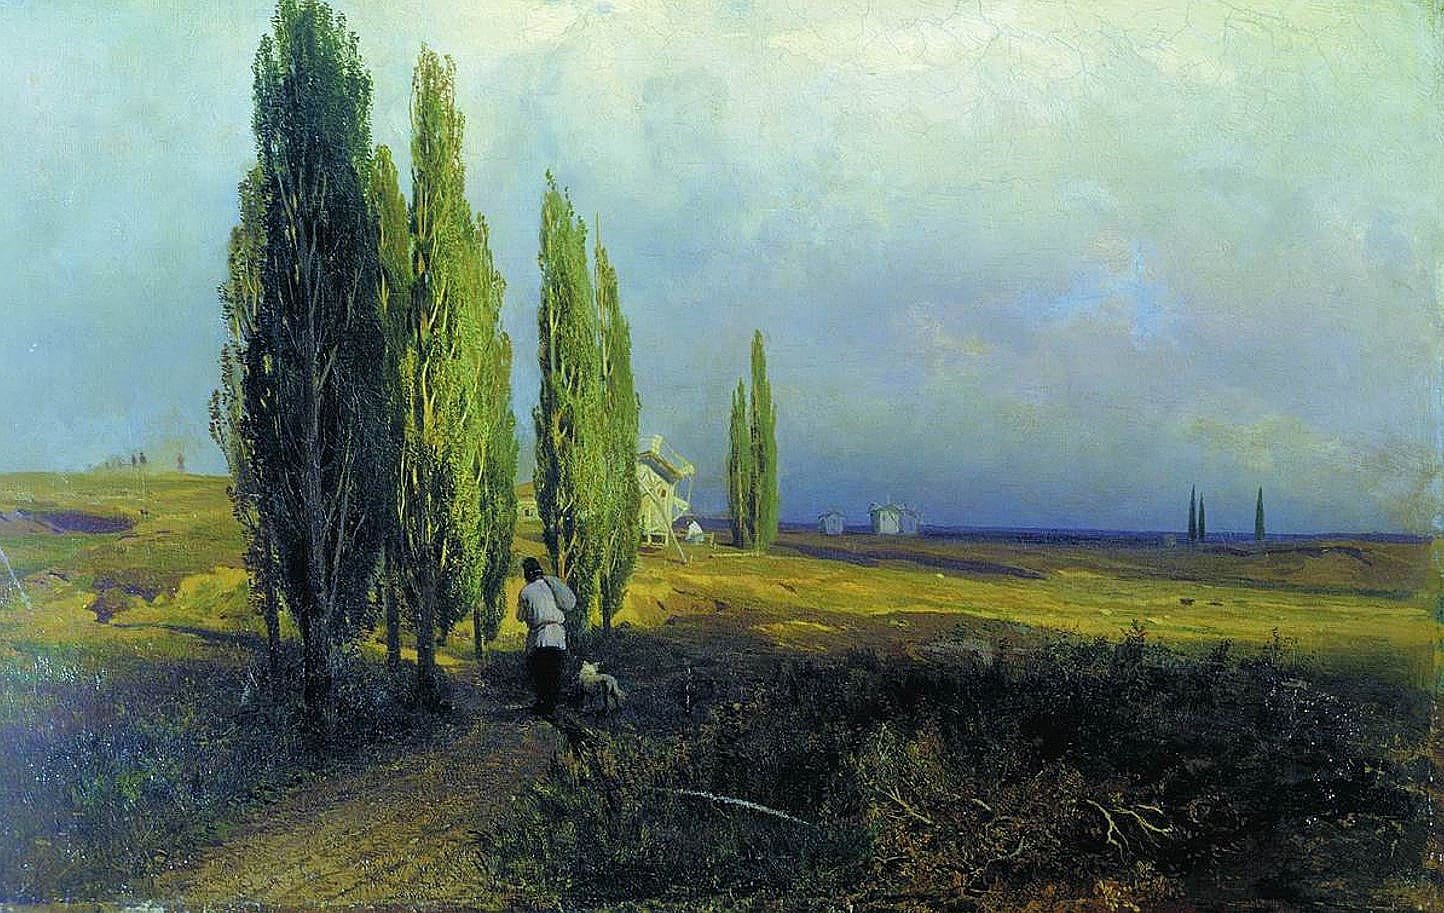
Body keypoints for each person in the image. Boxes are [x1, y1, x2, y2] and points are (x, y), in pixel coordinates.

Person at [515, 556, 575, 715]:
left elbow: (520, 617)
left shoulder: (526, 591)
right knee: (554, 672)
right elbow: (568, 604)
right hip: (558, 636)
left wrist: (530, 613)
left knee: (540, 671)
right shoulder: (551, 584)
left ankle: (543, 706)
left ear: (527, 574)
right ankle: (551, 707)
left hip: (541, 637)